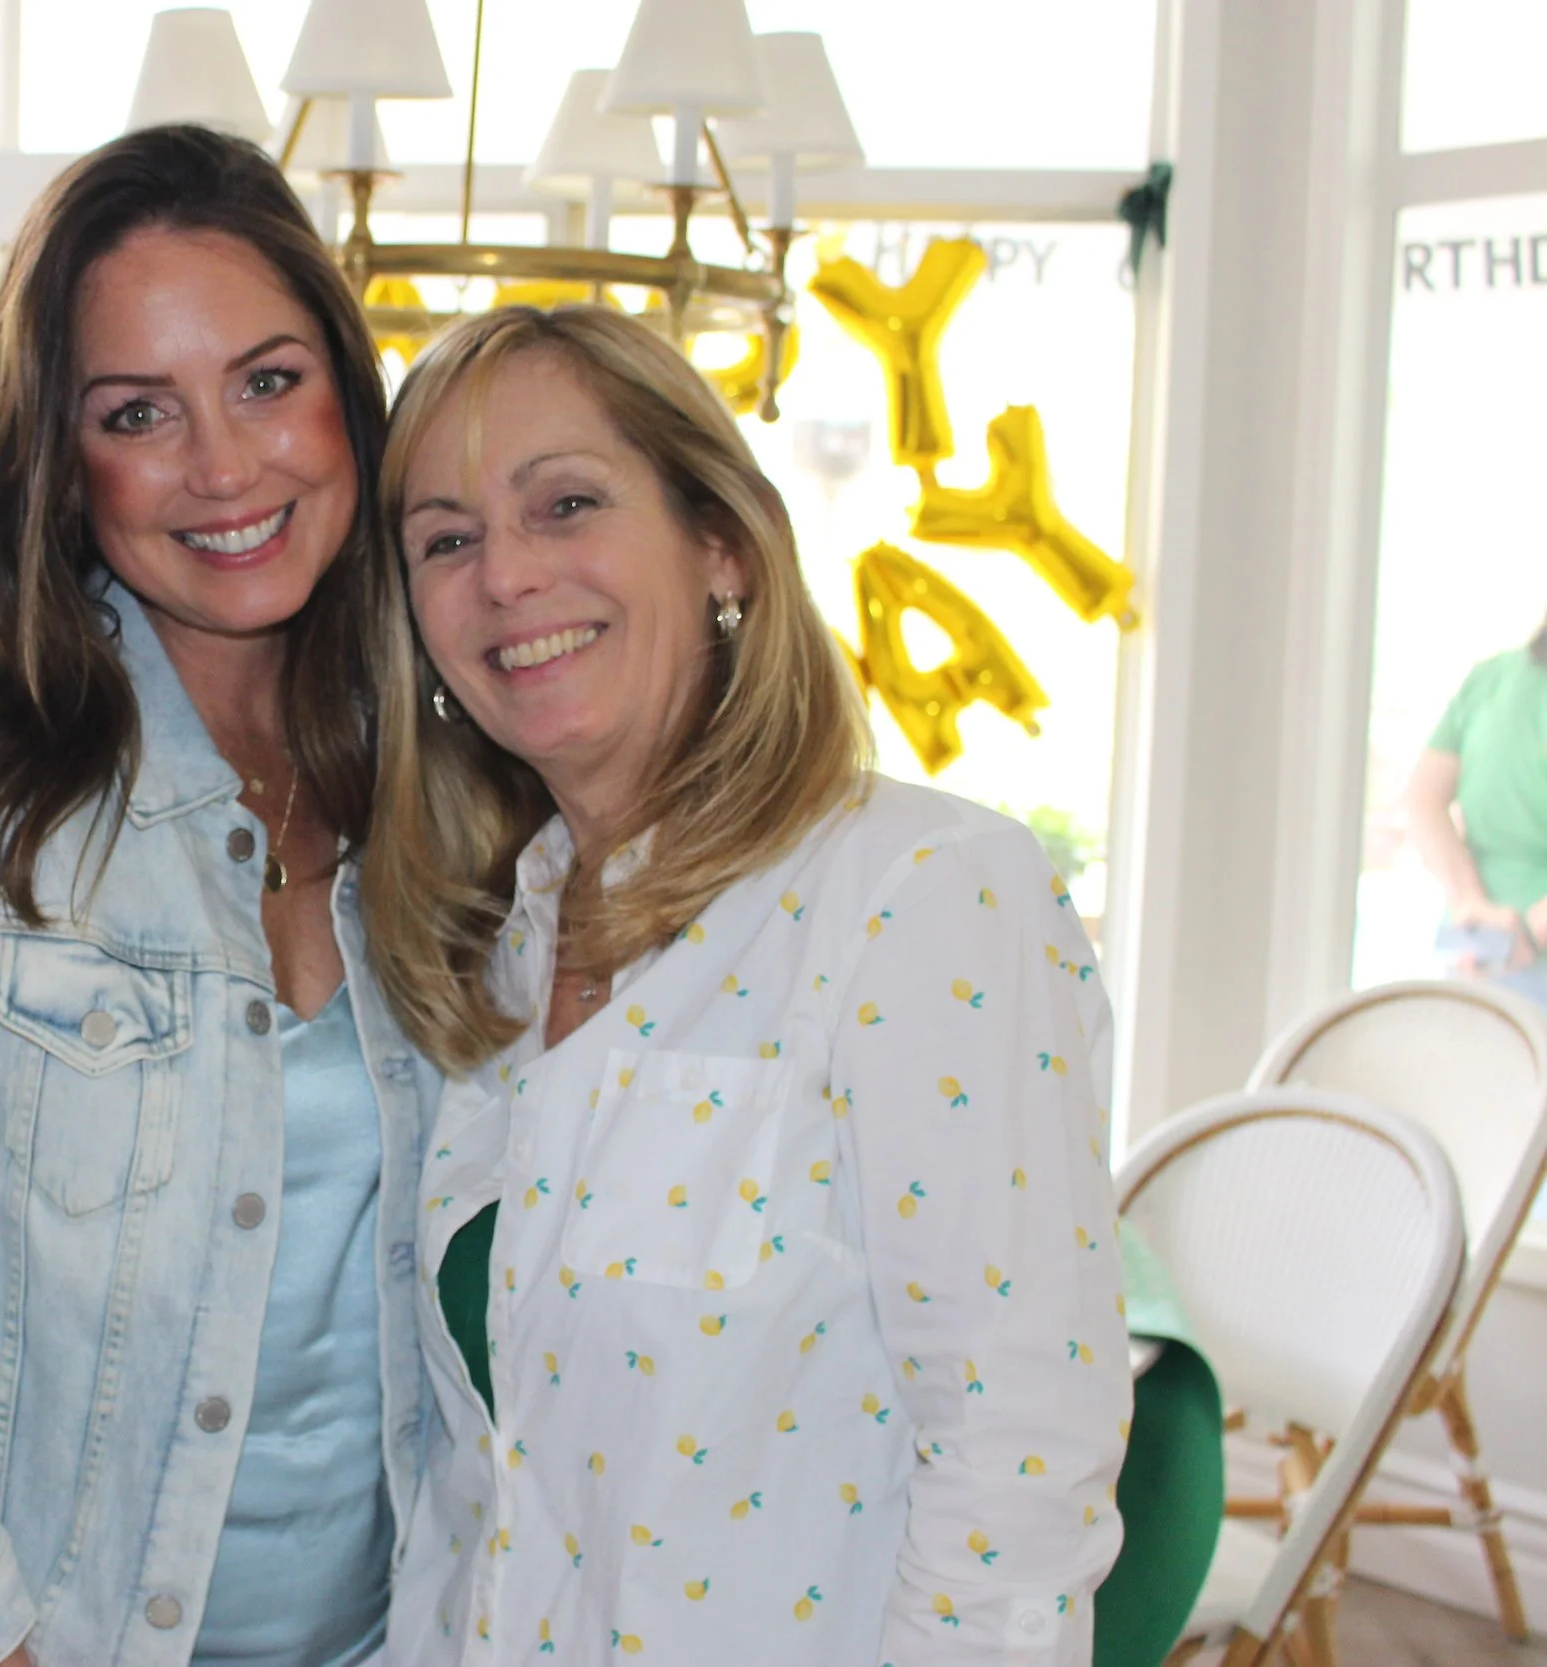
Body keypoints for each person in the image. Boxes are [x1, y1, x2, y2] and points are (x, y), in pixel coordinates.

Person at [0, 125, 439, 1667]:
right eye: (137, 411)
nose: (225, 465)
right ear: (60, 461)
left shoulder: (441, 786)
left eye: (268, 380)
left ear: (346, 388)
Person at [363, 306, 1130, 1665]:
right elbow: (484, 1478)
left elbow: (1016, 1471)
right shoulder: (500, 941)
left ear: (720, 541)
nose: (507, 576)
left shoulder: (922, 895)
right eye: (446, 539)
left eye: (566, 503)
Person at [1403, 610, 1547, 1009]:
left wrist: (1469, 903)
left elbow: (1423, 800)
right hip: (1498, 954)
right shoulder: (1490, 679)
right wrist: (1526, 934)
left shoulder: (1491, 679)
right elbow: (1424, 800)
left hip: (1476, 952)